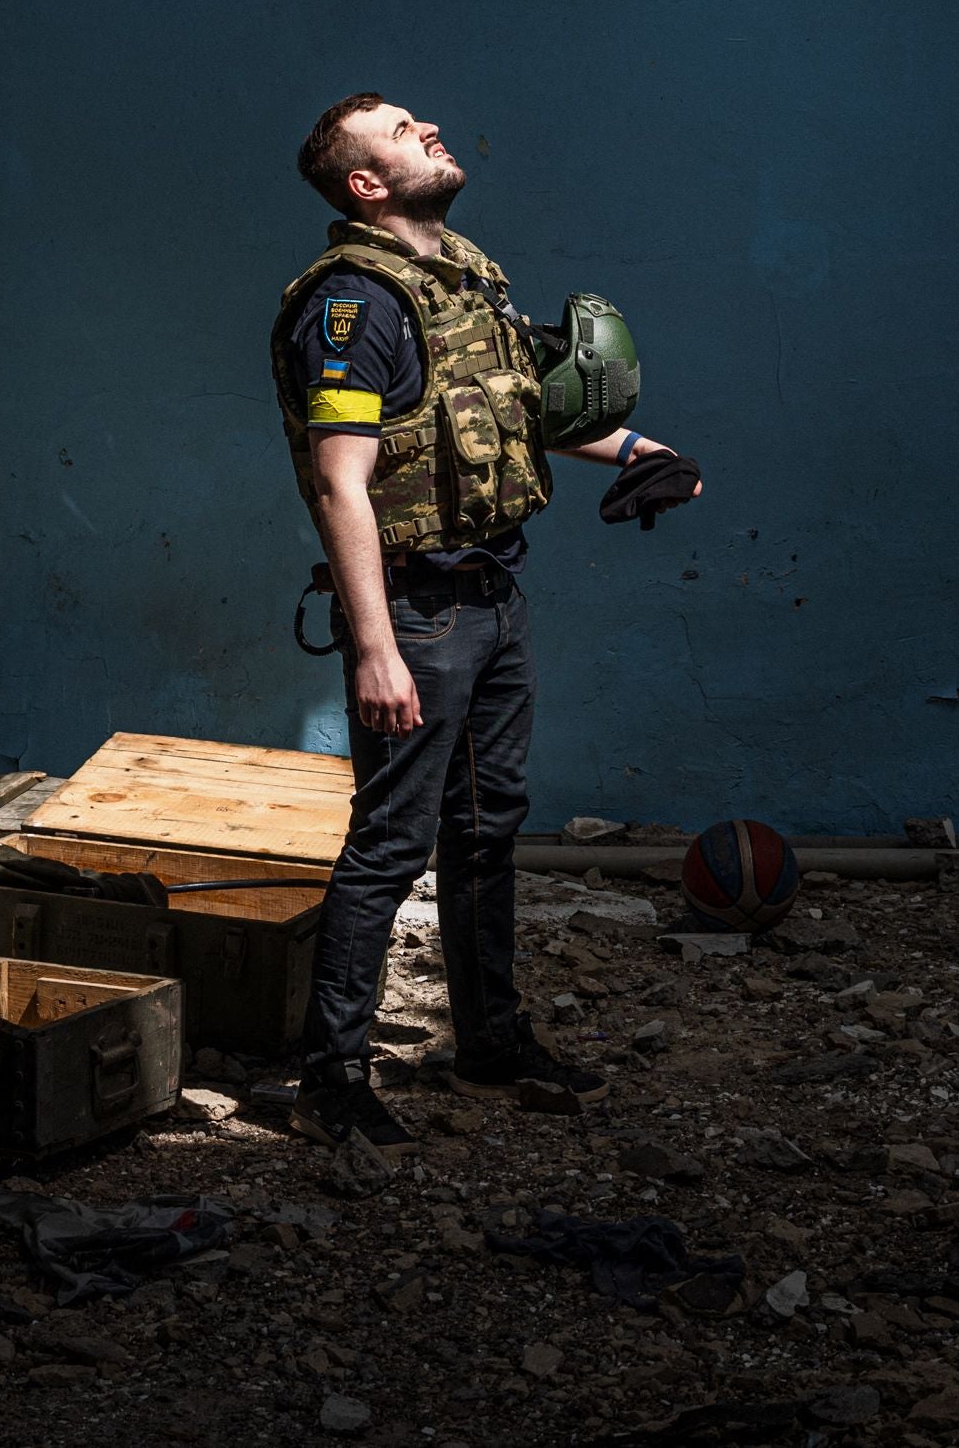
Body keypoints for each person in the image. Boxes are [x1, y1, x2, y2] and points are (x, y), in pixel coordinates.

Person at [272, 93, 705, 1148]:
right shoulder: (354, 306)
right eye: (401, 132)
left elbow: (518, 414)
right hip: (417, 612)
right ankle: (331, 1079)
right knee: (388, 844)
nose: (429, 131)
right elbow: (340, 483)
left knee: (484, 831)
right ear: (363, 185)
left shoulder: (463, 273)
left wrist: (640, 453)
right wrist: (374, 646)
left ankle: (491, 1037)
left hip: (494, 595)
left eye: (422, 120)